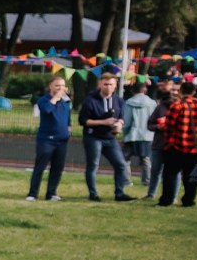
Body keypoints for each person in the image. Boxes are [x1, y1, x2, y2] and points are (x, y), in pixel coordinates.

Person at [154, 76, 197, 206]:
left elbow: (169, 125)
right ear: (194, 91)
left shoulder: (177, 106)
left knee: (170, 174)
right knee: (190, 176)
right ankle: (188, 200)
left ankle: (166, 200)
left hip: (176, 145)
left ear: (181, 91)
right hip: (195, 147)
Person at [81, 70, 133, 201]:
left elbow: (122, 117)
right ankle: (93, 194)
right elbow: (83, 121)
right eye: (105, 84)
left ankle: (119, 193)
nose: (108, 87)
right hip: (93, 137)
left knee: (120, 164)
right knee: (93, 165)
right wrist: (103, 122)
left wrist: (119, 124)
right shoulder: (90, 100)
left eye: (111, 84)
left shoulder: (119, 100)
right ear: (99, 84)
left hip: (110, 137)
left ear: (115, 85)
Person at [27, 75, 72, 201]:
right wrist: (56, 98)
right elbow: (46, 110)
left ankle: (51, 193)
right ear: (50, 87)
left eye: (62, 86)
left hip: (62, 141)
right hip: (46, 140)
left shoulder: (65, 103)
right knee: (40, 167)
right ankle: (33, 193)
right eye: (57, 85)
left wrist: (69, 129)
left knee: (57, 168)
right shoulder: (44, 100)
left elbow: (67, 119)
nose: (60, 88)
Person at [121, 75, 157, 195]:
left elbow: (126, 120)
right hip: (147, 135)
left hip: (132, 134)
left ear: (132, 91)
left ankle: (126, 180)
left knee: (125, 158)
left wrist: (124, 132)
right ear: (145, 90)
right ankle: (147, 180)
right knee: (146, 159)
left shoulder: (129, 103)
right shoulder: (152, 103)